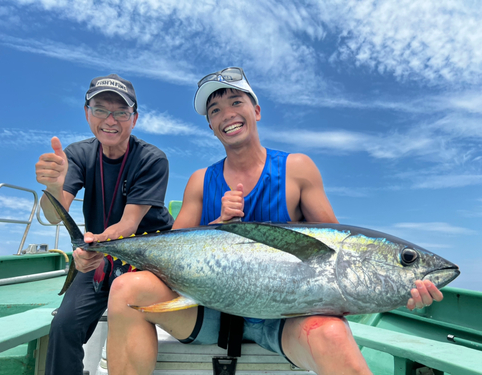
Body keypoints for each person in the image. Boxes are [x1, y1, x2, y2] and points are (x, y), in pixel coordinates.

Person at [106, 67, 443, 375]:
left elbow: (338, 250)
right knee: (125, 289)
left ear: (256, 111)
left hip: (285, 321)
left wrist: (396, 291)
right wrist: (219, 224)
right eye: (215, 110)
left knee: (333, 334)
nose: (227, 114)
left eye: (236, 101)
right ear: (210, 125)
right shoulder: (199, 181)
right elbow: (172, 253)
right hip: (208, 310)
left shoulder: (297, 170)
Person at [35, 73, 174, 375]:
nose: (110, 120)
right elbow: (50, 215)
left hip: (149, 259)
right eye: (100, 110)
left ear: (134, 119)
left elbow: (128, 224)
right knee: (63, 326)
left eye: (121, 112)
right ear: (87, 113)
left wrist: (90, 246)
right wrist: (53, 189)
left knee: (136, 319)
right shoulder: (77, 155)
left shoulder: (152, 159)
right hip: (102, 255)